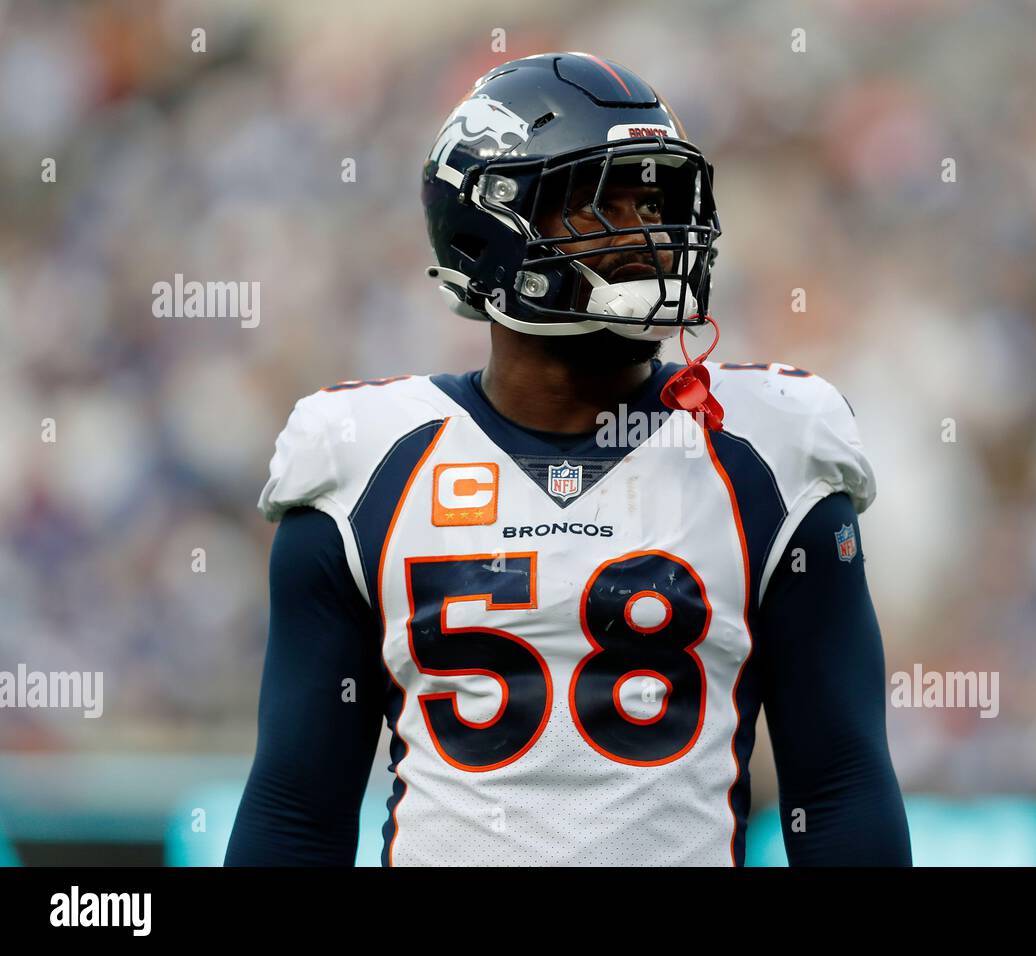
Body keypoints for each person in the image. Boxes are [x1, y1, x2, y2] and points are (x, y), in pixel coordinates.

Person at [225, 52, 910, 866]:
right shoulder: (364, 461)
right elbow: (298, 810)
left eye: (655, 200)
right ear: (487, 225)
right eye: (601, 202)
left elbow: (839, 787)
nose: (649, 234)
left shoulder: (768, 450)